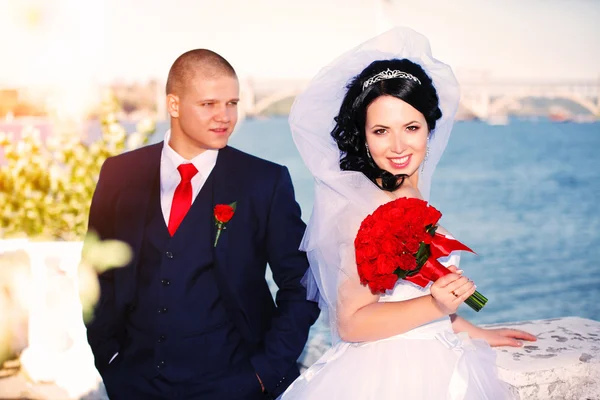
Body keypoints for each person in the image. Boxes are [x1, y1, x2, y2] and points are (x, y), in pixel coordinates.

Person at [281, 27, 536, 399]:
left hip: (437, 351)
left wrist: (474, 331)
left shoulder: (408, 191)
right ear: (364, 137)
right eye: (381, 130)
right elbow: (351, 323)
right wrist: (434, 302)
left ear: (430, 128)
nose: (398, 145)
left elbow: (405, 295)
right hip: (390, 374)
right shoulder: (361, 212)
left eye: (411, 127)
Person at [85, 49, 320, 399]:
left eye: (232, 103)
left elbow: (302, 284)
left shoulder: (264, 181)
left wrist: (262, 373)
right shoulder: (119, 174)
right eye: (209, 104)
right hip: (135, 383)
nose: (224, 117)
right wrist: (110, 358)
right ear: (174, 105)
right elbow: (94, 269)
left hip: (235, 383)